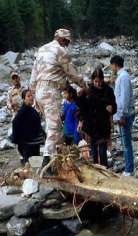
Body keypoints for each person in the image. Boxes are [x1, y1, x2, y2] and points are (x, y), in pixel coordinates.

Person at [29, 28, 86, 170]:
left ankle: (58, 160)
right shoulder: (61, 51)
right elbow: (73, 74)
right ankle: (47, 163)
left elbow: (33, 74)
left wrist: (33, 93)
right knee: (53, 128)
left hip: (39, 91)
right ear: (62, 39)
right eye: (66, 41)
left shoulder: (41, 50)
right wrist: (84, 86)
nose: (67, 44)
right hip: (51, 91)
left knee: (56, 127)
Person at [77, 68, 117, 167]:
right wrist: (80, 121)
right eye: (95, 82)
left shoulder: (108, 90)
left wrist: (111, 109)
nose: (97, 84)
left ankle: (104, 170)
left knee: (103, 151)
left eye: (99, 82)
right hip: (91, 126)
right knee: (94, 151)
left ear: (103, 80)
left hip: (103, 125)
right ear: (92, 81)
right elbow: (82, 107)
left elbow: (114, 106)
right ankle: (96, 170)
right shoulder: (88, 90)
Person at [110, 55, 135, 176]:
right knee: (125, 142)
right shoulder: (121, 76)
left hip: (125, 114)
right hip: (123, 113)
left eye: (111, 65)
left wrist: (121, 115)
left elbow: (124, 99)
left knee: (126, 143)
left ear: (115, 65)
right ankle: (128, 166)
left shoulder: (123, 77)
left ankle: (129, 169)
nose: (111, 68)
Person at [11, 90, 45, 165]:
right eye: (28, 96)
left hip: (35, 144)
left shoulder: (32, 110)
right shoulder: (22, 112)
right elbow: (15, 124)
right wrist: (19, 141)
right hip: (28, 146)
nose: (31, 97)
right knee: (29, 167)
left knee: (36, 165)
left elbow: (38, 125)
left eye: (31, 95)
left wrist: (43, 135)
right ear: (23, 99)